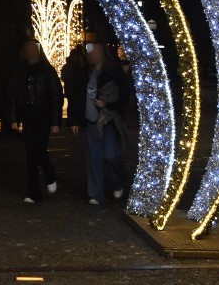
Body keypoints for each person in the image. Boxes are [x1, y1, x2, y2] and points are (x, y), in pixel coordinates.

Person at [67, 42, 128, 205]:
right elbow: (76, 97)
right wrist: (74, 120)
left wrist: (107, 104)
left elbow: (123, 96)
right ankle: (95, 194)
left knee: (111, 154)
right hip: (91, 121)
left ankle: (118, 181)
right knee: (93, 158)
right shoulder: (84, 73)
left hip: (108, 121)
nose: (92, 55)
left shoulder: (113, 72)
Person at [7, 38, 64, 204]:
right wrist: (14, 118)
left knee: (39, 149)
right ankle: (33, 192)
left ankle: (48, 172)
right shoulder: (19, 71)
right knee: (30, 154)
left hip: (43, 117)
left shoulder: (47, 71)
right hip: (27, 117)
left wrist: (55, 121)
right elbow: (13, 95)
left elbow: (56, 96)